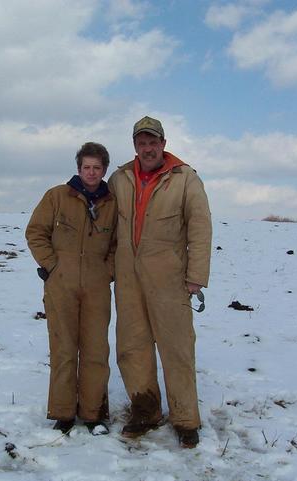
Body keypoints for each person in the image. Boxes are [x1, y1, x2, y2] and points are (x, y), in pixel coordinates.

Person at [108, 116, 212, 448]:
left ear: (163, 144)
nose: (148, 148)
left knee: (177, 349)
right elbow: (105, 226)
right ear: (135, 146)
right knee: (132, 347)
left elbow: (200, 228)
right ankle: (146, 412)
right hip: (127, 278)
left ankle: (185, 419)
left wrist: (196, 276)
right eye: (142, 142)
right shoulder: (120, 178)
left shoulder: (185, 178)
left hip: (169, 278)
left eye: (153, 142)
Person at [25, 141, 117, 436]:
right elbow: (36, 232)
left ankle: (93, 414)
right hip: (61, 285)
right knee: (64, 348)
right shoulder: (57, 196)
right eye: (86, 167)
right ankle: (63, 413)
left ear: (104, 170)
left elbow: (118, 245)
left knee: (95, 350)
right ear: (79, 169)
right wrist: (52, 266)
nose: (91, 172)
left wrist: (107, 272)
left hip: (97, 286)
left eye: (97, 168)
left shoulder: (112, 203)